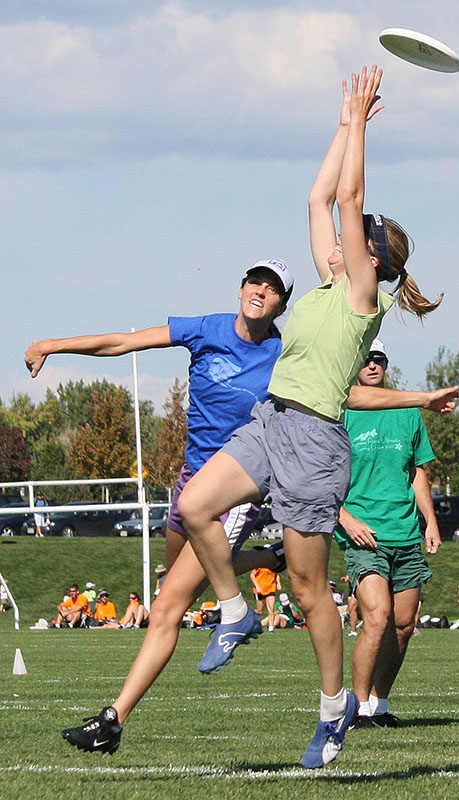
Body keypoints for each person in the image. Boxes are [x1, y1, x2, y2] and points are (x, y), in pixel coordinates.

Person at [176, 67, 456, 769]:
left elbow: (351, 194)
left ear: (371, 257)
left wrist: (361, 124)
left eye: (351, 235)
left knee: (306, 591)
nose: (335, 234)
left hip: (314, 444)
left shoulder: (364, 294)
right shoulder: (332, 283)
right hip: (272, 422)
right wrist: (341, 123)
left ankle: (334, 709)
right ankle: (235, 611)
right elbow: (320, 193)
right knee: (194, 506)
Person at [26, 260, 294, 754]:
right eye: (256, 281)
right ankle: (264, 561)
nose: (262, 290)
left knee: (168, 606)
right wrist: (50, 344)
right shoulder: (206, 329)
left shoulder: (285, 352)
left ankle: (113, 717)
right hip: (190, 483)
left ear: (282, 303)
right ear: (241, 288)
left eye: (274, 288)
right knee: (174, 590)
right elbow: (123, 343)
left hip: (234, 492)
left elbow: (335, 396)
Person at [335, 338, 441, 729]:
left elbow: (417, 471)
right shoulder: (341, 410)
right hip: (364, 534)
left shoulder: (408, 411)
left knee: (403, 625)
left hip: (406, 533)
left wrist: (430, 521)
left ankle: (379, 705)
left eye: (379, 358)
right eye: (365, 358)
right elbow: (323, 473)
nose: (372, 364)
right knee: (376, 617)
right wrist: (344, 518)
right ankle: (357, 708)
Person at [251, 566, 281, 632]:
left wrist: (278, 582)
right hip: (259, 591)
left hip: (271, 589)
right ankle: (248, 614)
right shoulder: (260, 566)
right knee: (260, 611)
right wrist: (257, 586)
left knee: (271, 609)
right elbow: (252, 575)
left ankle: (271, 628)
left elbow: (277, 574)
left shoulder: (274, 565)